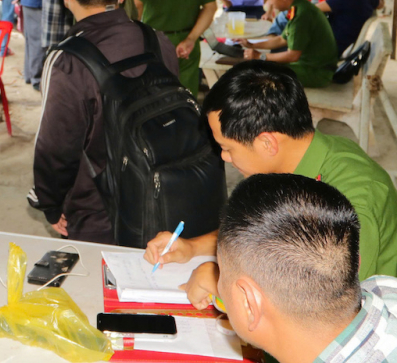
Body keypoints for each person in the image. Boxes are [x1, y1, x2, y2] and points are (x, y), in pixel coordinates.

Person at [144, 61, 397, 292]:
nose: (224, 157)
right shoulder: (298, 159)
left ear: (267, 143)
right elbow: (263, 232)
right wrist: (192, 247)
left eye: (228, 148)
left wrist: (223, 284)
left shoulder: (351, 205)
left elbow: (328, 306)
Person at [33, 0, 179, 243]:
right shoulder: (158, 41)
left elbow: (56, 146)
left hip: (99, 211)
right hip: (165, 197)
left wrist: (50, 203)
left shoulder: (67, 61)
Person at [216, 174, 397, 363]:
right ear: (354, 265)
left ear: (248, 303)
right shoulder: (384, 288)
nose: (218, 285)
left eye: (220, 272)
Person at [240, 0, 337, 87]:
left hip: (317, 73)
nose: (270, 3)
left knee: (261, 73)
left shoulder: (301, 15)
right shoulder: (299, 7)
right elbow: (282, 39)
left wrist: (260, 56)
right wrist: (252, 45)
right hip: (311, 66)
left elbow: (293, 55)